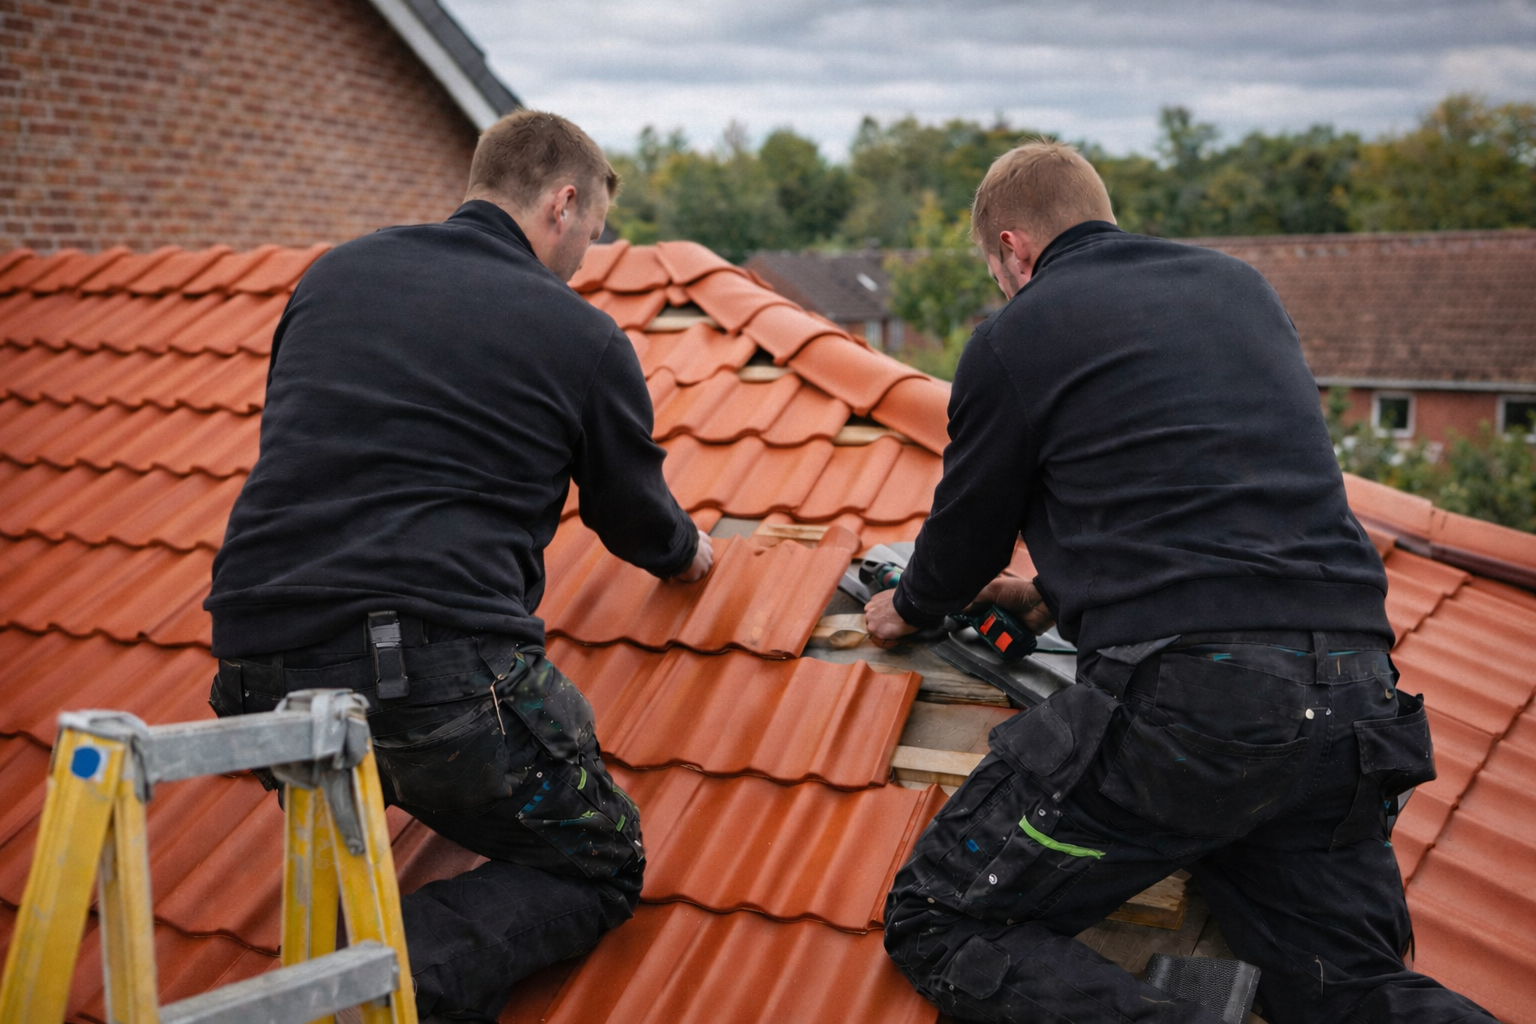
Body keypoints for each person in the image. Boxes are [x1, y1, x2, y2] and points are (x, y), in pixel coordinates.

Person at [865, 142, 1495, 1023]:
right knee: (1348, 985)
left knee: (939, 918)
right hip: (1354, 703)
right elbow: (1208, 489)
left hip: (1198, 711)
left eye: (998, 270)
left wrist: (906, 606)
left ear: (1012, 249)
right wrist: (1049, 593)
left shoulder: (1017, 332)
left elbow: (966, 538)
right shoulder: (1239, 288)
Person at [204, 110, 712, 1023]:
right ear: (563, 203)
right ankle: (385, 987)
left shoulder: (332, 277)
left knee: (377, 778)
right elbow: (635, 517)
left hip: (252, 674)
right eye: (590, 232)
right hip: (428, 682)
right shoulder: (579, 334)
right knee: (599, 859)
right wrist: (691, 554)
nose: (586, 258)